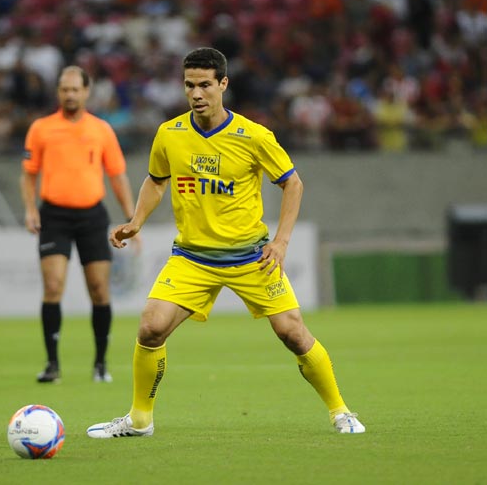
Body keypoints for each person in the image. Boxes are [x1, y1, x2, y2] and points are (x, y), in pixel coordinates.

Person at [86, 48, 365, 437]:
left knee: (293, 334)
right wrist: (136, 221)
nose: (196, 93)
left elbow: (293, 183)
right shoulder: (170, 133)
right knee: (150, 328)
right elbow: (156, 180)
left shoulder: (253, 136)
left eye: (204, 85)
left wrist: (281, 242)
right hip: (192, 257)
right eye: (189, 85)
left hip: (251, 256)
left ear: (223, 84)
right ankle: (139, 420)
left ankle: (341, 412)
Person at [20, 65, 137, 384]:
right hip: (54, 215)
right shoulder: (41, 128)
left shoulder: (101, 130)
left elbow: (117, 176)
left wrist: (132, 218)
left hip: (91, 216)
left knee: (99, 290)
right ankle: (52, 364)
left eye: (75, 89)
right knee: (53, 286)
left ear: (86, 91)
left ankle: (100, 363)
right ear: (58, 92)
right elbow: (29, 173)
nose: (69, 94)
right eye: (64, 89)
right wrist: (31, 209)